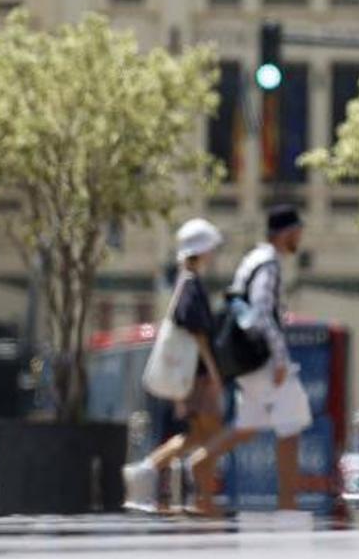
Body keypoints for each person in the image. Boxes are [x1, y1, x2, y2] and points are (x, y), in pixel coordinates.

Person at [185, 206, 312, 514]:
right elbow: (261, 312)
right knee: (292, 422)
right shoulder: (268, 264)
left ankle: (199, 461)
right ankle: (288, 504)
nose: (299, 238)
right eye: (297, 232)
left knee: (248, 424)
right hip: (261, 359)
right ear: (286, 233)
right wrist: (280, 358)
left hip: (248, 361)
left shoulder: (253, 258)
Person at [123, 218, 226, 511]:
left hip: (191, 378)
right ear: (202, 250)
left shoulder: (185, 283)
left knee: (200, 435)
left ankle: (148, 469)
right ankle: (195, 487)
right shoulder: (191, 285)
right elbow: (198, 334)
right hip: (198, 377)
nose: (213, 255)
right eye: (211, 249)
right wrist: (215, 372)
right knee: (215, 434)